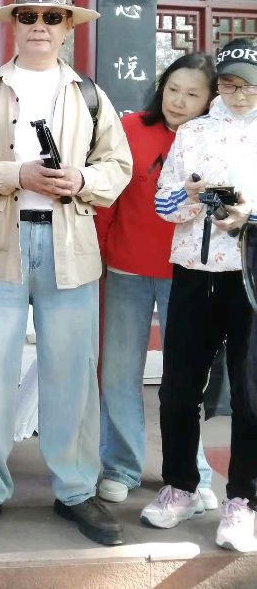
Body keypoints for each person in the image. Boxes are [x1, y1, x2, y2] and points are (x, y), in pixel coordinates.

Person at [0, 0, 133, 547]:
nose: (40, 27)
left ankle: (75, 489)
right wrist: (16, 175)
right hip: (0, 243)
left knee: (72, 372)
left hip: (70, 247)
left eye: (53, 17)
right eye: (28, 16)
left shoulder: (90, 94)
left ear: (69, 26)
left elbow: (117, 166)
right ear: (14, 24)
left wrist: (82, 180)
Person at [141, 37, 257, 554]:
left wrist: (248, 216)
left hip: (250, 274)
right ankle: (180, 486)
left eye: (248, 86)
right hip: (192, 269)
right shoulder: (193, 132)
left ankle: (243, 501)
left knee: (250, 392)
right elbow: (163, 205)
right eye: (229, 84)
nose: (239, 94)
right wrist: (189, 199)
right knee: (178, 387)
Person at [97, 52, 218, 508]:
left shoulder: (213, 139)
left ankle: (192, 472)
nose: (179, 101)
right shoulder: (129, 129)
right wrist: (99, 254)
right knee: (119, 372)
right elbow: (107, 198)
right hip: (125, 267)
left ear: (210, 100)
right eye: (173, 89)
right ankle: (121, 466)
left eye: (192, 94)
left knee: (185, 378)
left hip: (186, 274)